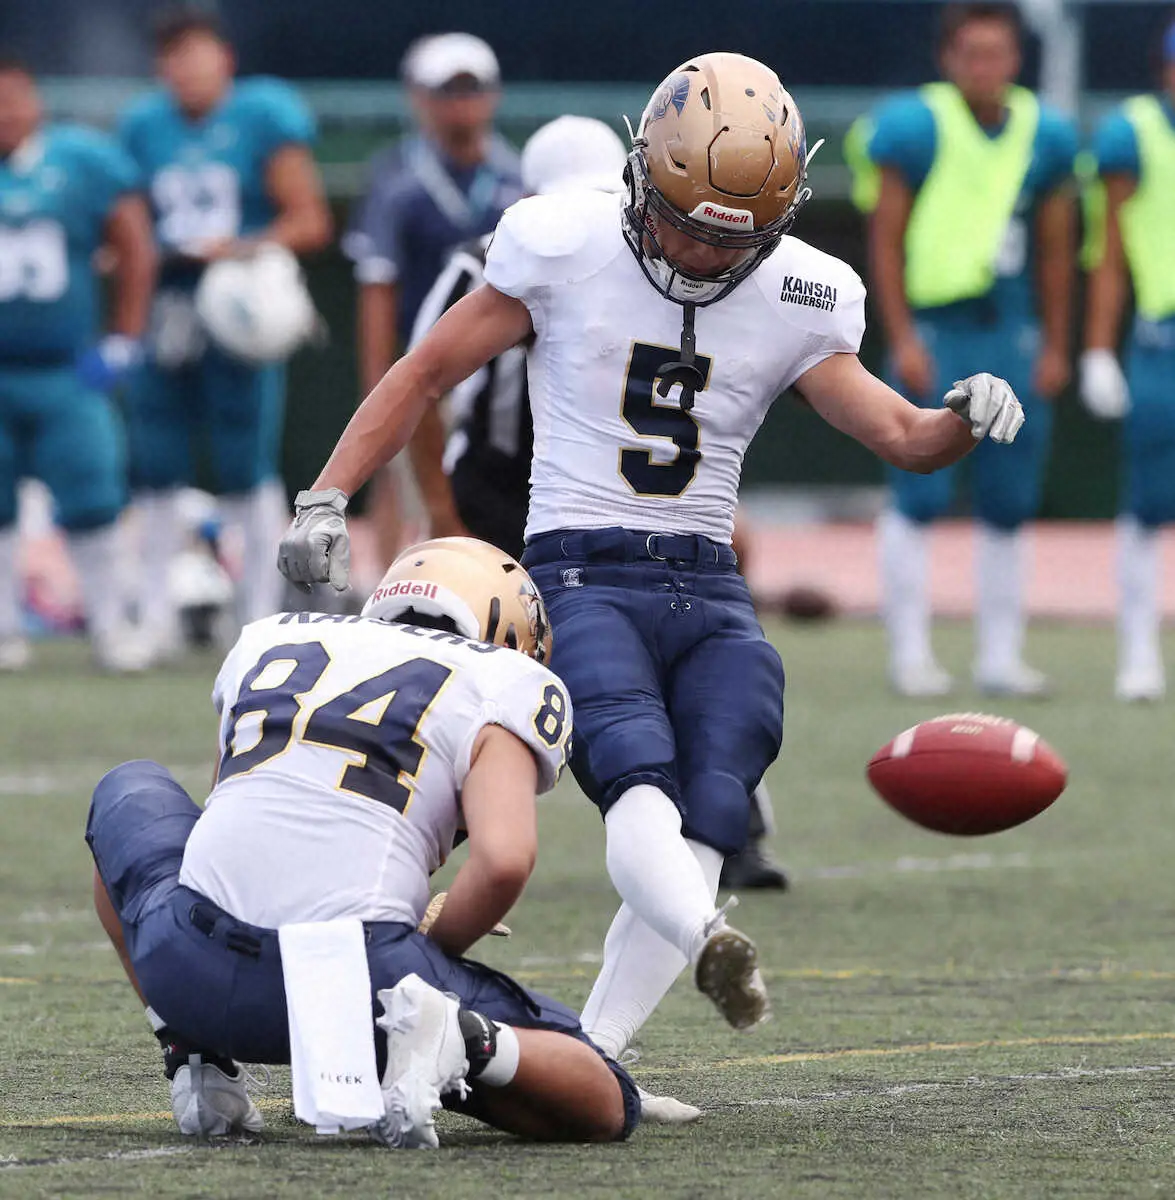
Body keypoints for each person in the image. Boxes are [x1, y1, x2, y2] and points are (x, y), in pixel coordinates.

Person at [276, 51, 1024, 1114]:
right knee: (632, 770)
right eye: (686, 222)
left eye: (732, 238)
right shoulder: (563, 242)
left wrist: (962, 418)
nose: (701, 252)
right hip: (579, 567)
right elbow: (425, 370)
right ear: (640, 174)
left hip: (710, 582)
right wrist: (327, 492)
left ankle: (598, 1050)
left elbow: (901, 434)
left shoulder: (797, 292)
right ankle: (708, 935)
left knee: (719, 793)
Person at [87, 536, 639, 1146]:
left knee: (128, 788)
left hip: (186, 963)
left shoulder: (270, 637)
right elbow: (505, 862)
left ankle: (194, 1057)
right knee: (602, 1097)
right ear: (504, 630)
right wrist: (433, 946)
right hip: (362, 982)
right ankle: (461, 1039)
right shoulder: (502, 679)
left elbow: (224, 809)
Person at [410, 115, 787, 892]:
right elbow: (422, 381)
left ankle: (728, 816)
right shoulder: (495, 259)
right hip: (494, 490)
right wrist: (440, 513)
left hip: (609, 493)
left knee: (683, 662)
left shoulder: (664, 259)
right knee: (458, 659)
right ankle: (427, 824)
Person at [848, 2, 1078, 697]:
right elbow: (883, 240)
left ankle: (999, 655)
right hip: (938, 327)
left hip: (1009, 326)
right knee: (917, 491)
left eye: (999, 54)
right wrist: (903, 335)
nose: (986, 68)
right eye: (972, 54)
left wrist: (1054, 343)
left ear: (1017, 58)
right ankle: (910, 652)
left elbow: (1057, 249)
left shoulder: (1046, 133)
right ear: (948, 59)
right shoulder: (916, 126)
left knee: (1008, 500)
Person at [118, 8, 331, 656]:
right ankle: (153, 612)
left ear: (225, 60)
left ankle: (260, 612)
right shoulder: (142, 125)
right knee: (155, 465)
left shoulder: (262, 114)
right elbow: (128, 227)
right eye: (172, 57)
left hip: (239, 303)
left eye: (195, 53)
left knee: (246, 464)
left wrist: (237, 248)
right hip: (170, 302)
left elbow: (309, 220)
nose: (183, 68)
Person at [344, 32, 523, 575]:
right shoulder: (396, 181)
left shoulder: (515, 177)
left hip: (499, 370)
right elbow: (378, 285)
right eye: (447, 91)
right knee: (399, 478)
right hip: (425, 363)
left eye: (472, 89)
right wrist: (380, 382)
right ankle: (389, 589)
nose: (461, 104)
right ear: (419, 97)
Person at [0, 57, 157, 673]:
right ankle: (6, 628)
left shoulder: (80, 161)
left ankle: (110, 626)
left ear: (36, 101)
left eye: (14, 97)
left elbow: (134, 244)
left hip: (63, 367)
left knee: (94, 498)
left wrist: (123, 337)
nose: (6, 112)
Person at [1079, 17, 1175, 703]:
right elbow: (1107, 255)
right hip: (1161, 336)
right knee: (1146, 503)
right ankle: (1138, 650)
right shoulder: (1131, 133)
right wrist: (1095, 350)